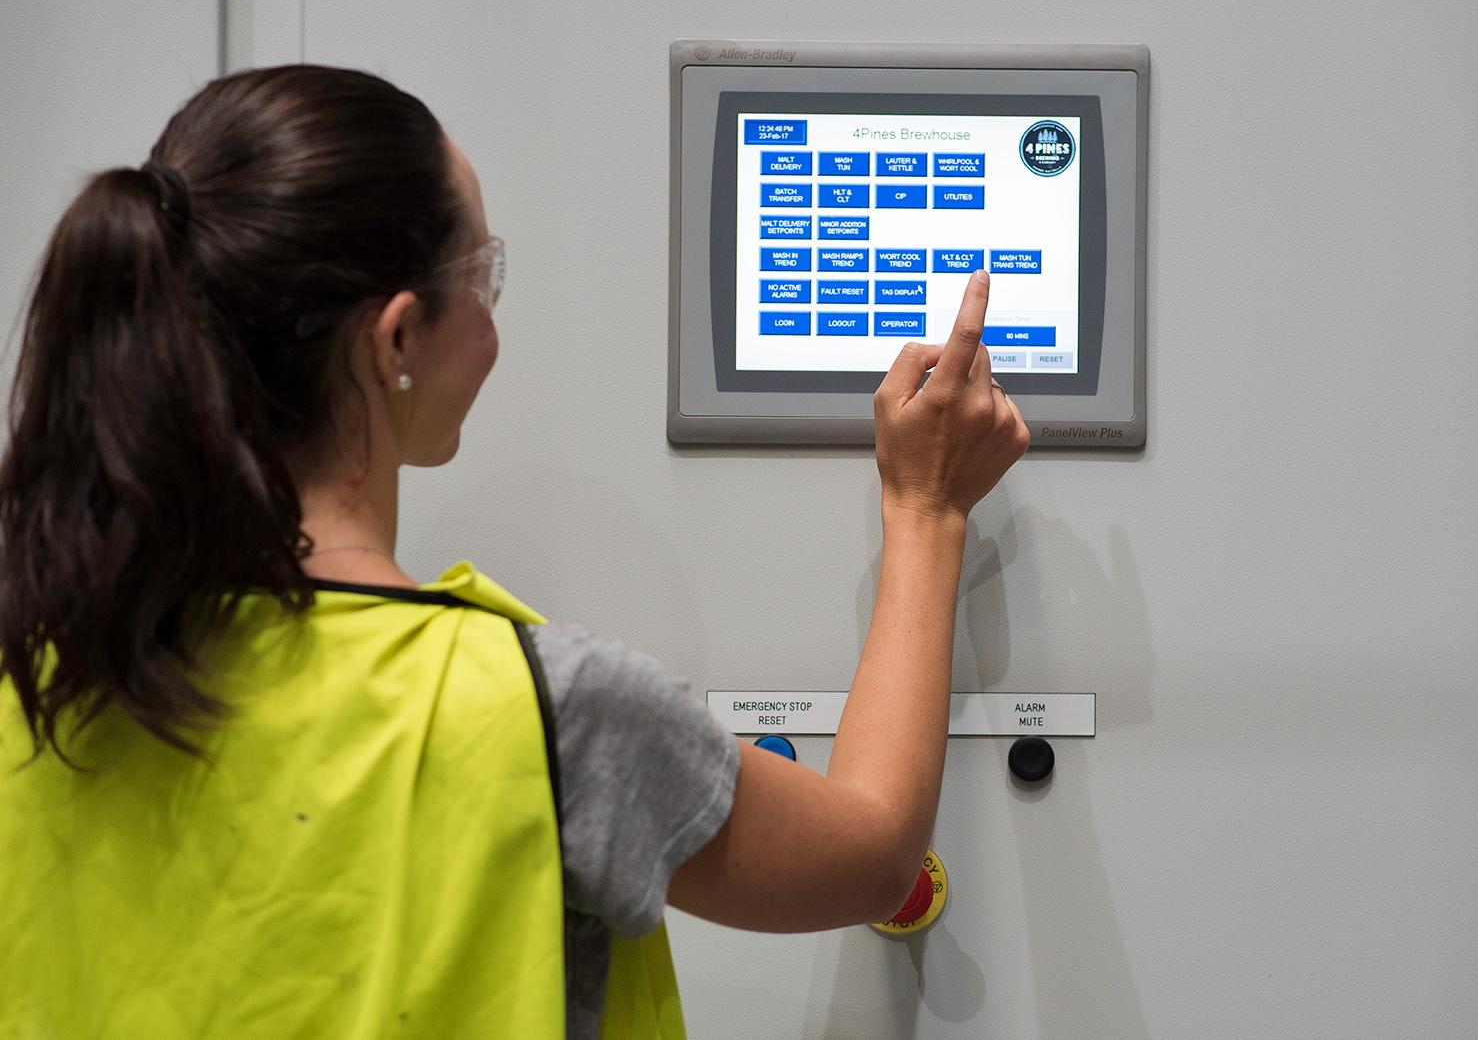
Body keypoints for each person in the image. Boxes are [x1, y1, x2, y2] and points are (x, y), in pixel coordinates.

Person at [0, 65, 1029, 1039]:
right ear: (396, 340)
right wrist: (925, 506)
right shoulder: (539, 712)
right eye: (481, 274)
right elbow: (869, 853)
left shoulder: (35, 678)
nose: (492, 318)